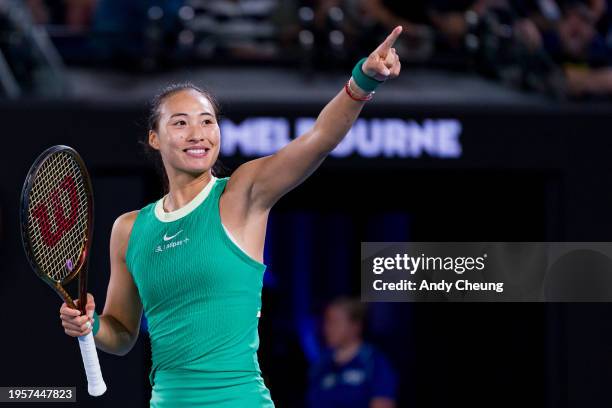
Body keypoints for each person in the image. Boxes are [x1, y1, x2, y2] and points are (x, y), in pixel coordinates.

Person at [58, 26, 403, 407]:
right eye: (180, 122)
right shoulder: (128, 229)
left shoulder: (242, 193)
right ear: (154, 138)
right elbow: (122, 334)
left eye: (207, 121)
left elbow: (319, 138)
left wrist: (363, 79)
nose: (197, 133)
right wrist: (90, 326)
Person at [307, 297, 397, 408]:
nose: (328, 328)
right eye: (326, 322)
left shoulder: (373, 362)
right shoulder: (321, 364)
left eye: (335, 322)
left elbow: (384, 401)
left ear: (356, 326)